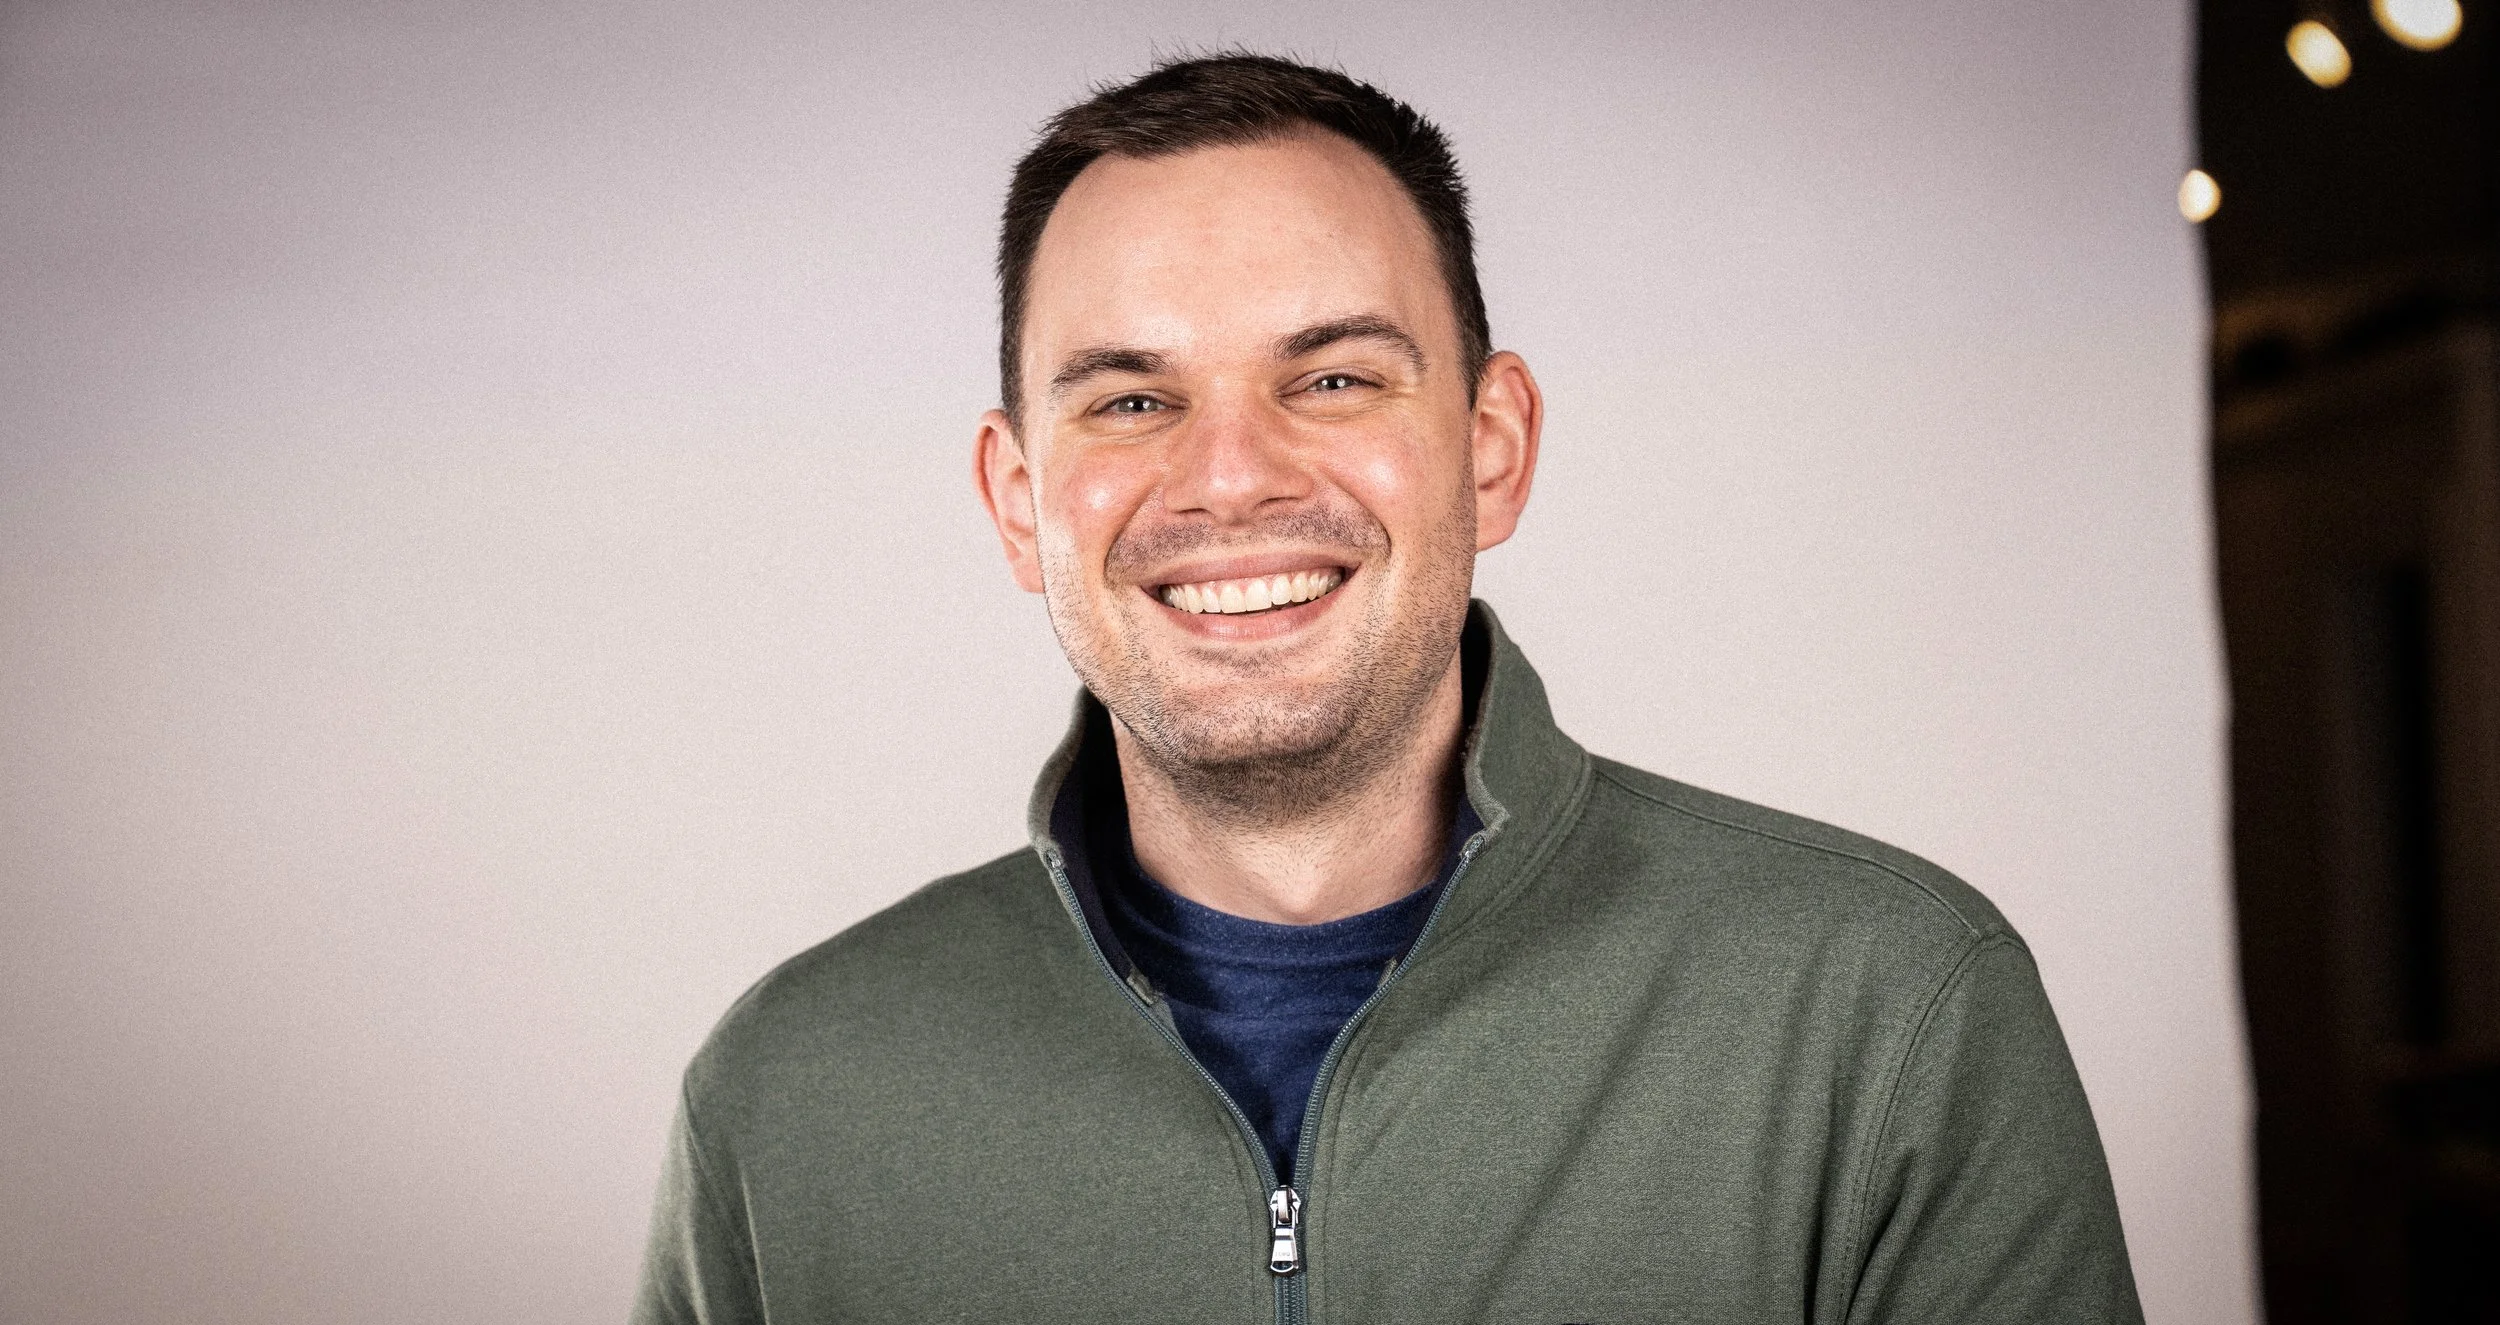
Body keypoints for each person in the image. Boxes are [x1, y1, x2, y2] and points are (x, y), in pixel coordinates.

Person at [633, 53, 2143, 1324]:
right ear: (1020, 499)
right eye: (1134, 399)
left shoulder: (1887, 1008)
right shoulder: (787, 1095)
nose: (1229, 476)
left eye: (1335, 378)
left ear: (1492, 444)